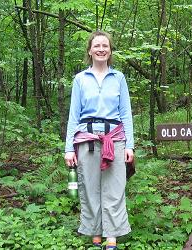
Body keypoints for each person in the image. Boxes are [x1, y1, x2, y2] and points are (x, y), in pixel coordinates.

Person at [64, 31, 134, 249]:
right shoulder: (80, 79)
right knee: (90, 189)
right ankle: (95, 236)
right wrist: (69, 148)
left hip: (115, 139)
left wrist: (130, 145)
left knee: (114, 190)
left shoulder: (119, 78)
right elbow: (73, 116)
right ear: (90, 50)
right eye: (97, 46)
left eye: (105, 45)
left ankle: (111, 239)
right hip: (86, 140)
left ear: (110, 50)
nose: (101, 49)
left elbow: (126, 114)